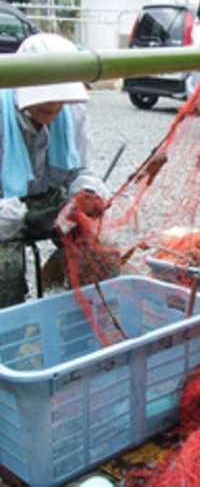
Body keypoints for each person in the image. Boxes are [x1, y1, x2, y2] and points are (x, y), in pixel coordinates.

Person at [0, 33, 109, 308]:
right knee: (5, 275)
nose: (53, 105)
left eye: (60, 97)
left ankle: (85, 327)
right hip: (5, 206)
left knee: (98, 253)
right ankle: (10, 338)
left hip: (49, 197)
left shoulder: (72, 112)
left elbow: (81, 168)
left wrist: (88, 193)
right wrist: (28, 219)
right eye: (44, 97)